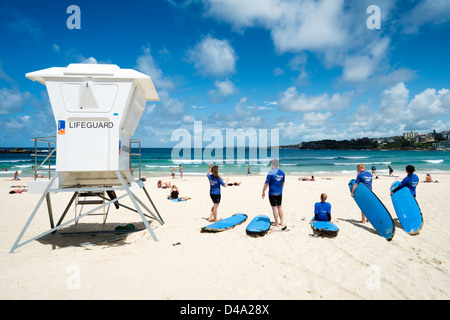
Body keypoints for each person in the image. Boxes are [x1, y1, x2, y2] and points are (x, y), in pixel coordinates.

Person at [262, 159, 286, 230]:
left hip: (272, 193)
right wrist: (280, 190)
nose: (270, 166)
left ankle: (276, 224)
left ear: (273, 165)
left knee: (274, 208)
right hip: (279, 193)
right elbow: (283, 183)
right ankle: (282, 222)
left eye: (271, 164)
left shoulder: (270, 173)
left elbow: (266, 183)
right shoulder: (282, 173)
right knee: (280, 207)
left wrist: (263, 191)